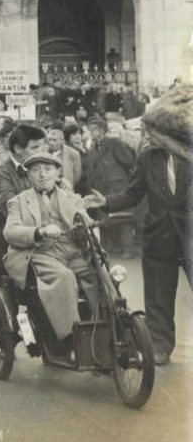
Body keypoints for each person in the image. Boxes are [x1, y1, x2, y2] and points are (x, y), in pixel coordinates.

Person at [84, 85, 191, 366]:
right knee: (157, 296)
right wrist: (105, 202)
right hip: (159, 236)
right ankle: (159, 345)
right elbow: (133, 193)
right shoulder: (147, 157)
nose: (149, 136)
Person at [4, 152, 96, 353]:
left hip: (72, 249)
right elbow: (10, 232)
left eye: (48, 169)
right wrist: (39, 232)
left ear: (57, 173)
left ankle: (110, 327)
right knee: (64, 277)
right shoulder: (18, 201)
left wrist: (89, 225)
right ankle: (69, 337)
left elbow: (87, 223)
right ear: (29, 176)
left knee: (101, 273)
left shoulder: (73, 198)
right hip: (39, 252)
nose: (42, 175)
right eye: (36, 170)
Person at [0, 125, 47, 286]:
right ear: (18, 149)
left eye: (42, 146)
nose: (41, 151)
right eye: (35, 147)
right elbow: (10, 211)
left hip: (37, 245)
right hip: (8, 249)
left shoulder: (41, 170)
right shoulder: (1, 175)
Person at [84, 118, 137, 256]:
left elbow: (130, 162)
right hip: (101, 189)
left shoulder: (114, 143)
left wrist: (125, 181)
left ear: (101, 131)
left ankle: (128, 249)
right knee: (106, 219)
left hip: (117, 187)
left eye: (93, 130)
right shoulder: (94, 147)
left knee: (124, 218)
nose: (91, 133)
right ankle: (113, 247)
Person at [46, 124, 83, 191]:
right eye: (49, 140)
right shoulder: (44, 152)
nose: (51, 143)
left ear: (62, 141)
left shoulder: (73, 154)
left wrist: (68, 182)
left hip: (66, 190)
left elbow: (77, 175)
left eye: (54, 140)